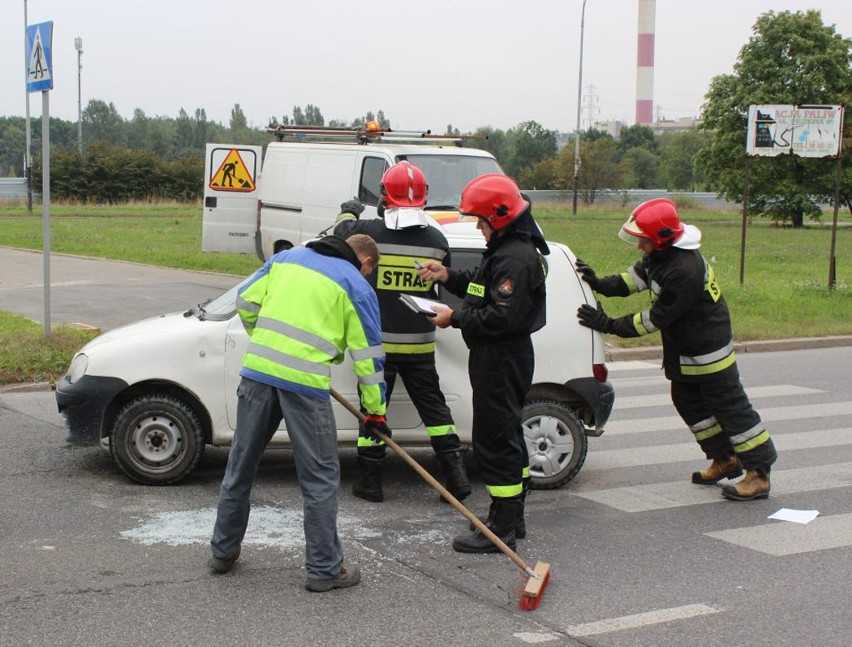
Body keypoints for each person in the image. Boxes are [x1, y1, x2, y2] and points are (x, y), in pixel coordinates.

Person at [210, 233, 390, 592]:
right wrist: (375, 412)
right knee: (320, 478)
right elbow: (368, 359)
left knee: (241, 465)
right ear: (366, 262)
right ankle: (324, 569)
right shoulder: (355, 284)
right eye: (370, 270)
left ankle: (222, 552)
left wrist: (268, 343)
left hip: (258, 374)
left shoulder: (286, 259)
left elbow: (245, 301)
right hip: (305, 385)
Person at [575, 198, 777, 501]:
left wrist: (607, 324)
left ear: (659, 238)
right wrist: (600, 283)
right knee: (687, 400)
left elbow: (653, 320)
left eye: (643, 239)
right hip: (685, 348)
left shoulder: (684, 269)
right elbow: (635, 279)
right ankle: (724, 458)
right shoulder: (662, 255)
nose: (639, 245)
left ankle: (759, 474)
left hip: (707, 350)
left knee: (731, 409)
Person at [418, 173, 549, 553]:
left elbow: (500, 317)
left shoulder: (517, 259)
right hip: (499, 357)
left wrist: (452, 317)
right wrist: (448, 276)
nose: (477, 226)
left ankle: (501, 527)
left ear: (499, 216)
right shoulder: (506, 249)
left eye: (480, 219)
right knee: (506, 434)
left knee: (495, 440)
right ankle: (513, 517)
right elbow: (480, 286)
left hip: (502, 357)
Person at [333, 161, 471, 504]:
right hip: (420, 347)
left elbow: (338, 238)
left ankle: (371, 483)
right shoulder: (437, 240)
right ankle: (455, 479)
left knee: (374, 413)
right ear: (423, 199)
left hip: (376, 348)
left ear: (383, 198)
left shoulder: (368, 231)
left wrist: (346, 213)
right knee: (436, 413)